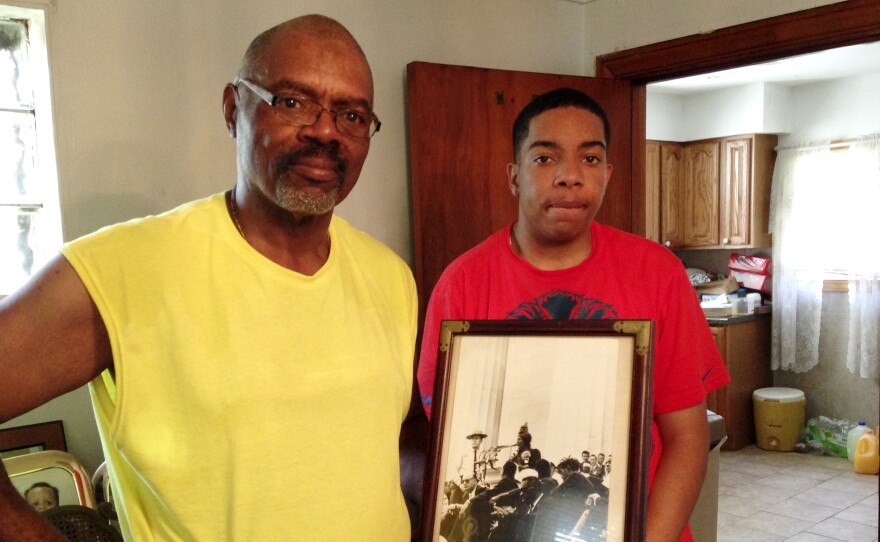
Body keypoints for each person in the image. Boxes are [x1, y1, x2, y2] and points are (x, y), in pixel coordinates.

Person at [0, 14, 418, 541]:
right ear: (232, 108)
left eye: (352, 115)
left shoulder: (391, 278)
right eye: (291, 101)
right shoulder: (124, 268)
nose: (326, 131)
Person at [417, 87, 730, 541]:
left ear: (607, 173)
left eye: (589, 159)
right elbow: (452, 436)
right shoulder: (461, 285)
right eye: (544, 158)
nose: (568, 176)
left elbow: (687, 437)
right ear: (514, 176)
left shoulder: (658, 274)